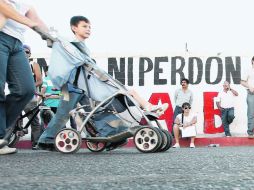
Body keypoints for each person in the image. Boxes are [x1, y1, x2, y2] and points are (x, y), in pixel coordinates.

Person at [37, 16, 168, 150]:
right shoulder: (68, 44)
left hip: (83, 87)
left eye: (89, 27)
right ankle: (46, 139)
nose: (88, 29)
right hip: (69, 87)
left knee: (97, 111)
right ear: (74, 28)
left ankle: (113, 133)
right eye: (84, 26)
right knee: (63, 113)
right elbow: (62, 57)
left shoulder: (81, 48)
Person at [0, 0, 48, 154]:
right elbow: (5, 9)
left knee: (26, 90)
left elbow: (38, 21)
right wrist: (31, 24)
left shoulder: (25, 3)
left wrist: (53, 37)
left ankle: (1, 130)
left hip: (17, 44)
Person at [22, 44, 43, 149]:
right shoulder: (14, 64)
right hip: (17, 96)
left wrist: (29, 87)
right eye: (22, 51)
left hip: (30, 96)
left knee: (34, 121)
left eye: (26, 52)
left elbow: (39, 81)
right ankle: (8, 141)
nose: (24, 53)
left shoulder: (33, 64)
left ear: (30, 54)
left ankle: (35, 143)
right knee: (13, 120)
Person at [241, 56, 254, 138]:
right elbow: (242, 81)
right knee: (251, 113)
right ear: (252, 61)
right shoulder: (248, 71)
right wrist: (250, 87)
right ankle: (250, 132)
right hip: (251, 94)